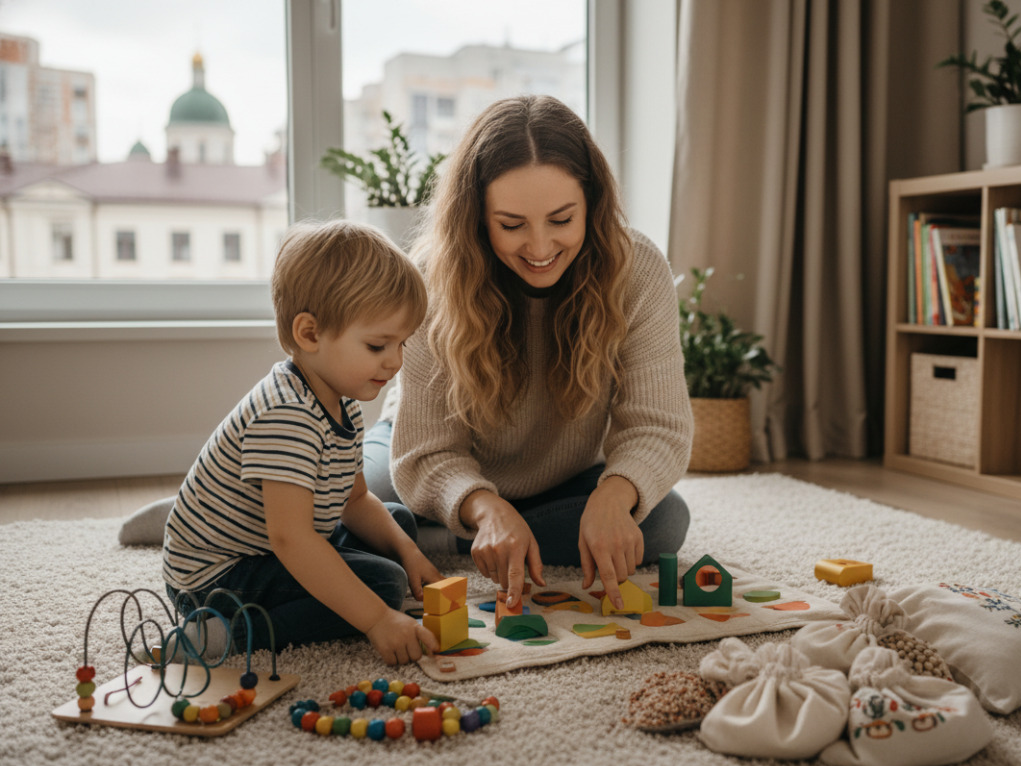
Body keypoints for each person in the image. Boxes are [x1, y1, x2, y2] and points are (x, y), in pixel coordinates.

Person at [363, 95, 693, 614]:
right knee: (352, 497)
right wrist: (484, 505)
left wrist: (613, 496)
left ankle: (441, 541)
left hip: (563, 471)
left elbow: (658, 427)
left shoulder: (638, 270)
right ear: (476, 217)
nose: (539, 248)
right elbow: (423, 450)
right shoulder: (433, 275)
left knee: (665, 521)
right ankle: (476, 527)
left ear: (592, 203)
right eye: (512, 225)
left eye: (561, 219)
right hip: (429, 451)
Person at [163, 219, 442, 665]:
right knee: (383, 588)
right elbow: (291, 540)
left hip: (275, 542)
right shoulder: (285, 415)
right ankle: (226, 635)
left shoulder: (342, 400)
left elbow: (355, 500)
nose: (395, 361)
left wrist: (408, 551)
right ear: (309, 334)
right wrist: (376, 619)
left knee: (398, 526)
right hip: (215, 580)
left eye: (402, 344)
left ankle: (373, 575)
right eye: (377, 346)